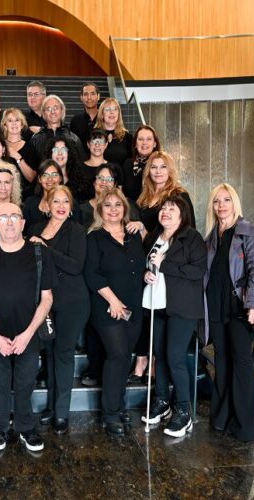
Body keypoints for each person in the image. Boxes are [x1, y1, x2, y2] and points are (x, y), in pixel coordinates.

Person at [0, 202, 56, 451]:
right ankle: (0, 428)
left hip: (28, 332)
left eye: (15, 216)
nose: (9, 221)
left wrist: (27, 334)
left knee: (26, 383)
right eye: (3, 217)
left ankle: (26, 428)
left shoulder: (39, 253)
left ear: (23, 223)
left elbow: (47, 297)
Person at [204, 183, 254, 442]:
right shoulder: (212, 236)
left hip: (239, 308)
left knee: (242, 363)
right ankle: (222, 418)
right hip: (216, 307)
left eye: (226, 200)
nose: (221, 206)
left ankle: (247, 425)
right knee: (222, 360)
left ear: (235, 203)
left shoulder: (247, 231)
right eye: (217, 201)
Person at [140, 194, 206, 438]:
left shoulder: (192, 238)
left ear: (182, 214)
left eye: (172, 209)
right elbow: (148, 266)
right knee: (160, 355)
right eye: (163, 208)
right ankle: (162, 401)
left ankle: (184, 411)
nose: (165, 212)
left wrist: (165, 264)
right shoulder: (154, 238)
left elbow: (198, 270)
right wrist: (146, 274)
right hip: (157, 305)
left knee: (175, 357)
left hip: (183, 308)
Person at [84, 188, 146, 437]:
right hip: (107, 307)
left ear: (124, 209)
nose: (112, 209)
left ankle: (119, 407)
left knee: (125, 357)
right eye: (107, 205)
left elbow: (140, 265)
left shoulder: (134, 236)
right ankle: (110, 414)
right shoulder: (94, 237)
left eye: (117, 205)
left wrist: (146, 274)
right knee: (118, 356)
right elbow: (92, 273)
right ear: (100, 210)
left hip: (134, 305)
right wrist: (113, 300)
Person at [28, 186, 89, 434]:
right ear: (47, 204)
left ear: (71, 206)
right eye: (56, 201)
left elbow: (75, 266)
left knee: (63, 352)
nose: (61, 206)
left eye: (66, 201)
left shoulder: (76, 230)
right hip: (45, 302)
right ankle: (52, 408)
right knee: (50, 354)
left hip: (72, 302)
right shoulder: (33, 229)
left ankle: (62, 413)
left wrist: (45, 247)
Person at [132, 151, 196, 383]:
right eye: (154, 167)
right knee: (147, 310)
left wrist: (145, 232)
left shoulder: (179, 195)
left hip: (169, 263)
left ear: (170, 170)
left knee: (162, 314)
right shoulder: (144, 196)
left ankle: (155, 362)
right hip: (148, 260)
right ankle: (143, 357)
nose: (158, 171)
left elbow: (185, 232)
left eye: (163, 167)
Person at [23, 159, 82, 228]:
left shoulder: (71, 203)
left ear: (60, 178)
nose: (50, 179)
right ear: (39, 179)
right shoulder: (30, 203)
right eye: (45, 175)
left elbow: (78, 230)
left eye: (54, 175)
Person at [30, 95, 86, 163]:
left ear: (62, 110)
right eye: (48, 109)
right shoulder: (35, 139)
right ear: (44, 113)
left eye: (55, 108)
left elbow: (81, 166)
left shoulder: (74, 139)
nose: (52, 112)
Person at [1, 108, 40, 198]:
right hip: (3, 194)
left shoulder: (30, 147)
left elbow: (31, 178)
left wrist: (17, 156)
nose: (14, 123)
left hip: (24, 196)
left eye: (17, 120)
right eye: (10, 121)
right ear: (5, 125)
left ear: (22, 125)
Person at [122, 125, 161, 201]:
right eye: (140, 139)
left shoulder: (161, 164)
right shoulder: (127, 164)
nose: (144, 143)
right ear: (135, 144)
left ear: (155, 144)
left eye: (149, 139)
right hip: (131, 210)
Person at [94, 98, 133, 169]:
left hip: (121, 179)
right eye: (107, 109)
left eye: (115, 109)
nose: (112, 112)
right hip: (100, 178)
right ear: (102, 114)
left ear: (118, 113)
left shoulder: (128, 137)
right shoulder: (93, 135)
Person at [75, 129, 112, 201]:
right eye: (93, 141)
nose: (97, 145)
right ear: (88, 144)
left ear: (106, 144)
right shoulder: (78, 168)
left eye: (100, 142)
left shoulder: (114, 168)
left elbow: (118, 195)